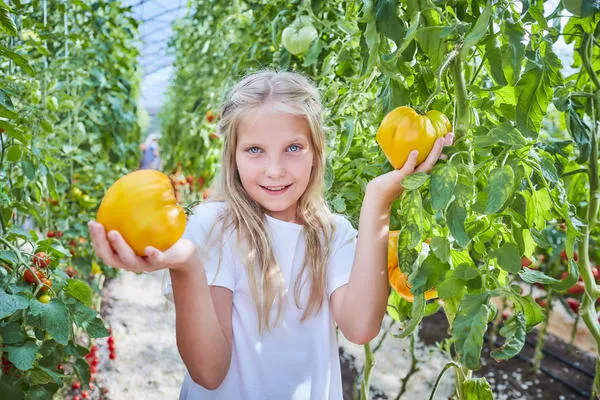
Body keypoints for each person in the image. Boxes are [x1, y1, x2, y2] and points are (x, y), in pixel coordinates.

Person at [87, 71, 453, 399]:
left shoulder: (332, 234)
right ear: (233, 156)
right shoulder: (214, 227)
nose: (274, 170)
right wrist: (187, 267)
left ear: (316, 153)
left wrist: (378, 202)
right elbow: (209, 372)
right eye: (255, 151)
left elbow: (360, 327)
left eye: (293, 148)